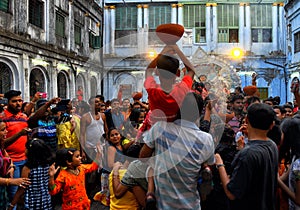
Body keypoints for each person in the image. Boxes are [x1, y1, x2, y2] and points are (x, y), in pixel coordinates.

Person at [140, 92, 215, 209]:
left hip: (164, 205)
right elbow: (210, 165)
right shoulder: (206, 139)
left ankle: (150, 192)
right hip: (192, 205)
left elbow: (143, 157)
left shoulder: (160, 128)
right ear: (199, 113)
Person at [215, 103, 278, 210]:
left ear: (247, 120)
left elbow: (231, 193)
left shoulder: (248, 154)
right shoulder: (272, 145)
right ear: (272, 125)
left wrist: (219, 163)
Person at [144, 44, 195, 125]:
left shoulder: (152, 90)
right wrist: (178, 50)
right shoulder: (182, 89)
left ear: (157, 72)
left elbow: (149, 70)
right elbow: (191, 71)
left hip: (155, 133)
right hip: (175, 132)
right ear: (178, 73)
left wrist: (164, 50)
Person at [0, 90, 31, 204]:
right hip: (12, 162)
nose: (18, 103)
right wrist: (19, 134)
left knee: (24, 191)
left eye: (20, 101)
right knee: (13, 194)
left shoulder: (23, 116)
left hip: (25, 159)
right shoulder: (2, 118)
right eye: (14, 101)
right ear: (7, 102)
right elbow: (2, 144)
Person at [8, 139, 54, 210]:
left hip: (32, 201)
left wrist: (11, 205)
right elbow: (50, 186)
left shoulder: (27, 168)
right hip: (45, 200)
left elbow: (22, 188)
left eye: (26, 148)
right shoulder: (48, 165)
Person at [80, 96, 107, 162]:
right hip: (90, 148)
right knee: (92, 168)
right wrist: (82, 151)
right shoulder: (85, 117)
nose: (98, 103)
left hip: (102, 146)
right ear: (90, 104)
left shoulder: (103, 115)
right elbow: (82, 135)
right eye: (96, 102)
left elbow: (106, 131)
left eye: (99, 102)